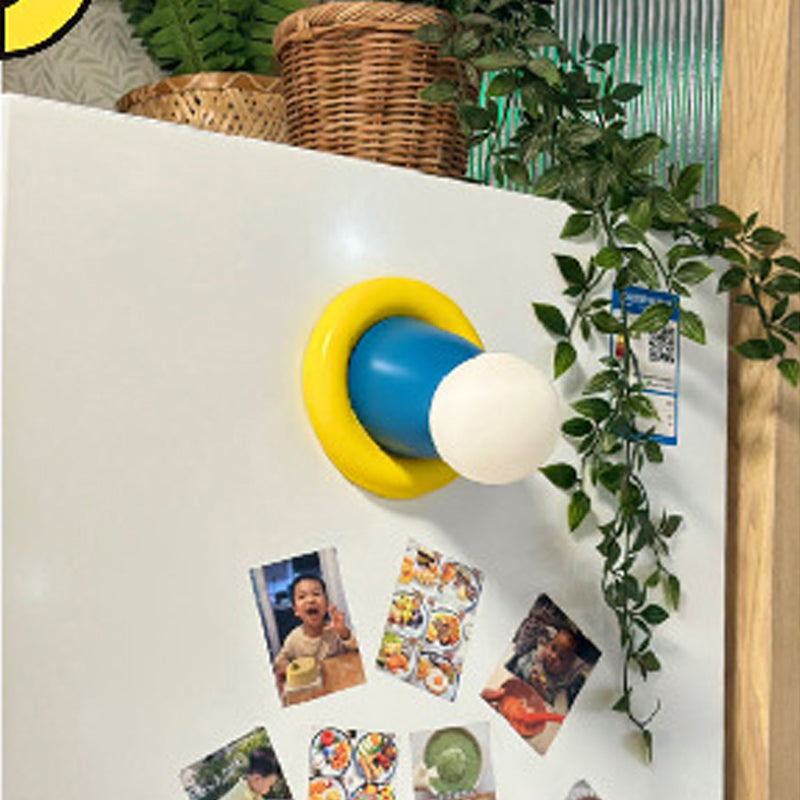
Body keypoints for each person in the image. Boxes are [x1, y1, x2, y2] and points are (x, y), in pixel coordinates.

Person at [273, 574, 358, 681]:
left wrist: (343, 632)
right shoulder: (293, 639)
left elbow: (357, 650)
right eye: (302, 597)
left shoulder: (336, 631)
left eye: (316, 594)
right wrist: (287, 667)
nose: (310, 600)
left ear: (326, 604)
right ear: (296, 610)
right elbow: (279, 662)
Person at [505, 625, 587, 708]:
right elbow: (519, 663)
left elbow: (551, 701)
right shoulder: (536, 657)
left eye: (561, 658)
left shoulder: (558, 682)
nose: (553, 657)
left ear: (566, 667)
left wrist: (542, 692)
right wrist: (529, 672)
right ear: (547, 644)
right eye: (553, 648)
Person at [219, 747, 284, 800]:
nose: (269, 790)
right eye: (269, 785)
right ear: (257, 778)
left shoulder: (252, 791)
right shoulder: (242, 795)